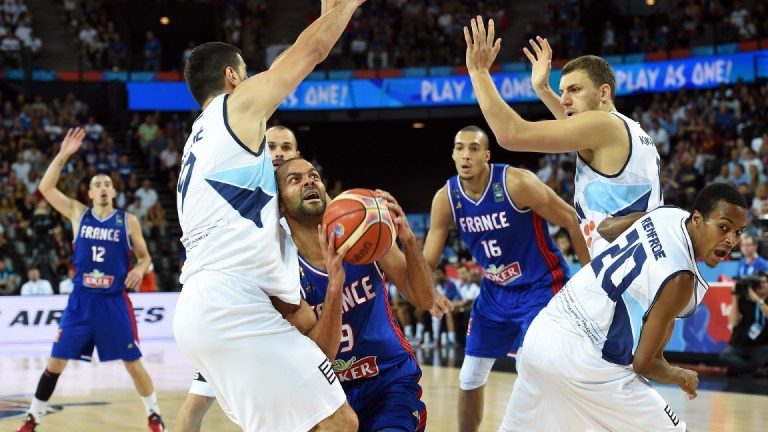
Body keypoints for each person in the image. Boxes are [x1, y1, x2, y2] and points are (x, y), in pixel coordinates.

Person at [172, 1, 365, 427]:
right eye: (246, 73)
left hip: (204, 305)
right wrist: (346, 8)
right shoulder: (233, 109)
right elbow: (306, 54)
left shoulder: (196, 142)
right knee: (339, 422)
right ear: (232, 77)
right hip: (229, 305)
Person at [500, 183, 748, 431]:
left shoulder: (668, 213)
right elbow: (645, 364)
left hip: (543, 332)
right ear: (697, 219)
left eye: (738, 232)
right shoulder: (681, 279)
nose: (731, 240)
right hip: (587, 362)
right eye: (723, 228)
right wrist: (680, 375)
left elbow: (606, 229)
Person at [422, 125, 589, 432]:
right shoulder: (446, 199)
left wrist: (592, 279)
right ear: (453, 154)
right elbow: (426, 262)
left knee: (534, 371)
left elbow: (570, 218)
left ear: (487, 155)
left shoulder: (516, 183)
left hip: (542, 286)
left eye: (473, 148)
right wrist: (427, 292)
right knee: (469, 376)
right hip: (495, 292)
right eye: (460, 148)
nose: (466, 155)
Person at [463, 18, 663, 256]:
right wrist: (543, 90)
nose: (565, 99)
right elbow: (573, 126)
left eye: (575, 90)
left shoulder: (603, 124)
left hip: (631, 266)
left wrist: (479, 73)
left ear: (603, 92)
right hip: (644, 260)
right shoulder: (630, 129)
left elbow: (511, 134)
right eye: (562, 92)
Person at [17, 128, 162, 432]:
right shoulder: (76, 213)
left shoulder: (128, 221)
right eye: (98, 184)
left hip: (113, 302)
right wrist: (64, 154)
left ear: (114, 191)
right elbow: (45, 187)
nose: (104, 187)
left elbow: (146, 257)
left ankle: (154, 415)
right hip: (80, 302)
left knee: (132, 363)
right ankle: (33, 417)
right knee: (55, 363)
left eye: (108, 184)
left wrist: (140, 268)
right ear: (90, 194)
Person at [281, 158, 434, 431]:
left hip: (388, 380)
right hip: (327, 393)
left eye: (314, 175)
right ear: (280, 205)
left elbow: (424, 300)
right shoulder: (281, 269)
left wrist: (409, 242)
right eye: (295, 180)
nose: (309, 181)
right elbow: (320, 355)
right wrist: (335, 290)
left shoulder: (365, 234)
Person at [173, 124, 300, 431]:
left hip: (284, 312)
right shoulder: (241, 188)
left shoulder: (305, 197)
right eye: (271, 146)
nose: (279, 152)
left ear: (297, 154)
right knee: (199, 402)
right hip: (236, 307)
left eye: (286, 147)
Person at [720, 271, 768, 376]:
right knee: (725, 356)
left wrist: (757, 299)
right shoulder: (744, 299)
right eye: (757, 283)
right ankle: (752, 371)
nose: (760, 285)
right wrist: (735, 298)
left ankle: (745, 370)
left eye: (764, 282)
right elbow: (734, 322)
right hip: (740, 345)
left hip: (761, 346)